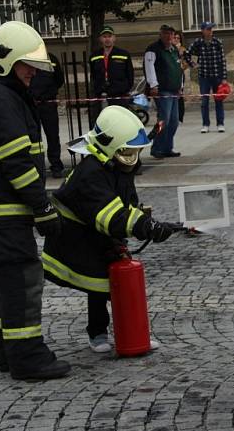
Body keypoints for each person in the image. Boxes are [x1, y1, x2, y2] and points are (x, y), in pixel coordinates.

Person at [0, 21, 70, 381]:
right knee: (22, 280)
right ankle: (28, 356)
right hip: (3, 213)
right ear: (6, 61)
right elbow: (18, 164)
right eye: (26, 66)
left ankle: (5, 351)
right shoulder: (1, 100)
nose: (31, 74)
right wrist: (42, 208)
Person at [42, 106, 174, 353]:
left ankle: (131, 333)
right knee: (100, 284)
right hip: (76, 240)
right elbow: (110, 215)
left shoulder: (115, 165)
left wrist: (146, 221)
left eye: (134, 151)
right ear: (110, 146)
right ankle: (101, 334)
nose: (132, 157)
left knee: (112, 282)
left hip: (99, 234)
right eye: (127, 151)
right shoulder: (90, 173)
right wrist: (145, 227)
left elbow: (125, 203)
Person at [144, 24, 183, 158]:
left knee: (174, 121)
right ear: (160, 34)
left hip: (174, 89)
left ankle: (167, 147)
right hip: (162, 90)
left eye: (171, 34)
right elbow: (149, 68)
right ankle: (157, 148)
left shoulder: (174, 50)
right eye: (166, 33)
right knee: (164, 119)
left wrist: (180, 86)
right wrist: (153, 85)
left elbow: (179, 69)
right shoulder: (153, 49)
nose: (169, 36)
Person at [183, 21, 228, 133]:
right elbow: (186, 53)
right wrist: (192, 64)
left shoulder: (217, 42)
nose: (210, 31)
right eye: (208, 29)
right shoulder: (198, 43)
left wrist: (224, 77)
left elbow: (222, 60)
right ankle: (205, 124)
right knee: (204, 102)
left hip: (217, 75)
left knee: (219, 100)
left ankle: (220, 123)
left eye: (211, 29)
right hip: (204, 76)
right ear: (203, 31)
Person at [30, 52, 66, 178]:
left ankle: (56, 166)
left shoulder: (51, 58)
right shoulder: (27, 58)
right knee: (34, 137)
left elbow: (59, 79)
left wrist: (49, 93)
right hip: (31, 104)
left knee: (52, 136)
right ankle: (37, 166)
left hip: (48, 104)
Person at [89, 25, 134, 124]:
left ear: (114, 38)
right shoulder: (94, 56)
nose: (107, 39)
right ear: (100, 39)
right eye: (104, 37)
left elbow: (130, 75)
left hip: (119, 96)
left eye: (109, 36)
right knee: (102, 123)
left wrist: (125, 89)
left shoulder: (124, 54)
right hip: (101, 95)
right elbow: (93, 75)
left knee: (120, 123)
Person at [172, 30, 188, 124]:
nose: (176, 39)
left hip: (180, 74)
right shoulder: (169, 48)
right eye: (175, 37)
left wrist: (181, 66)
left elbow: (186, 63)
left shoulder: (182, 49)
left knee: (179, 94)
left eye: (178, 38)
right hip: (171, 74)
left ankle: (180, 116)